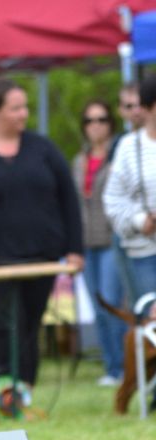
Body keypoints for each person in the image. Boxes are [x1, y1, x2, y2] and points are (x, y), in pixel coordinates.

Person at [0, 78, 84, 391]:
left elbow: (68, 199)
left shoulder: (44, 149)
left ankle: (25, 389)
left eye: (25, 107)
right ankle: (1, 388)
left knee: (29, 325)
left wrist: (75, 249)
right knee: (2, 326)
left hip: (41, 257)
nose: (23, 114)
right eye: (16, 108)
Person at [71, 100, 126, 387]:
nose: (96, 125)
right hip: (86, 244)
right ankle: (112, 367)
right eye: (90, 120)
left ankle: (125, 368)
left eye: (102, 119)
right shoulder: (79, 161)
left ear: (110, 124)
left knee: (111, 303)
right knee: (97, 306)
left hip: (111, 240)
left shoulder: (120, 156)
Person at [103, 73, 156, 304]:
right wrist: (140, 221)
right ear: (149, 107)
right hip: (144, 252)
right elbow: (113, 201)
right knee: (150, 326)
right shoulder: (127, 147)